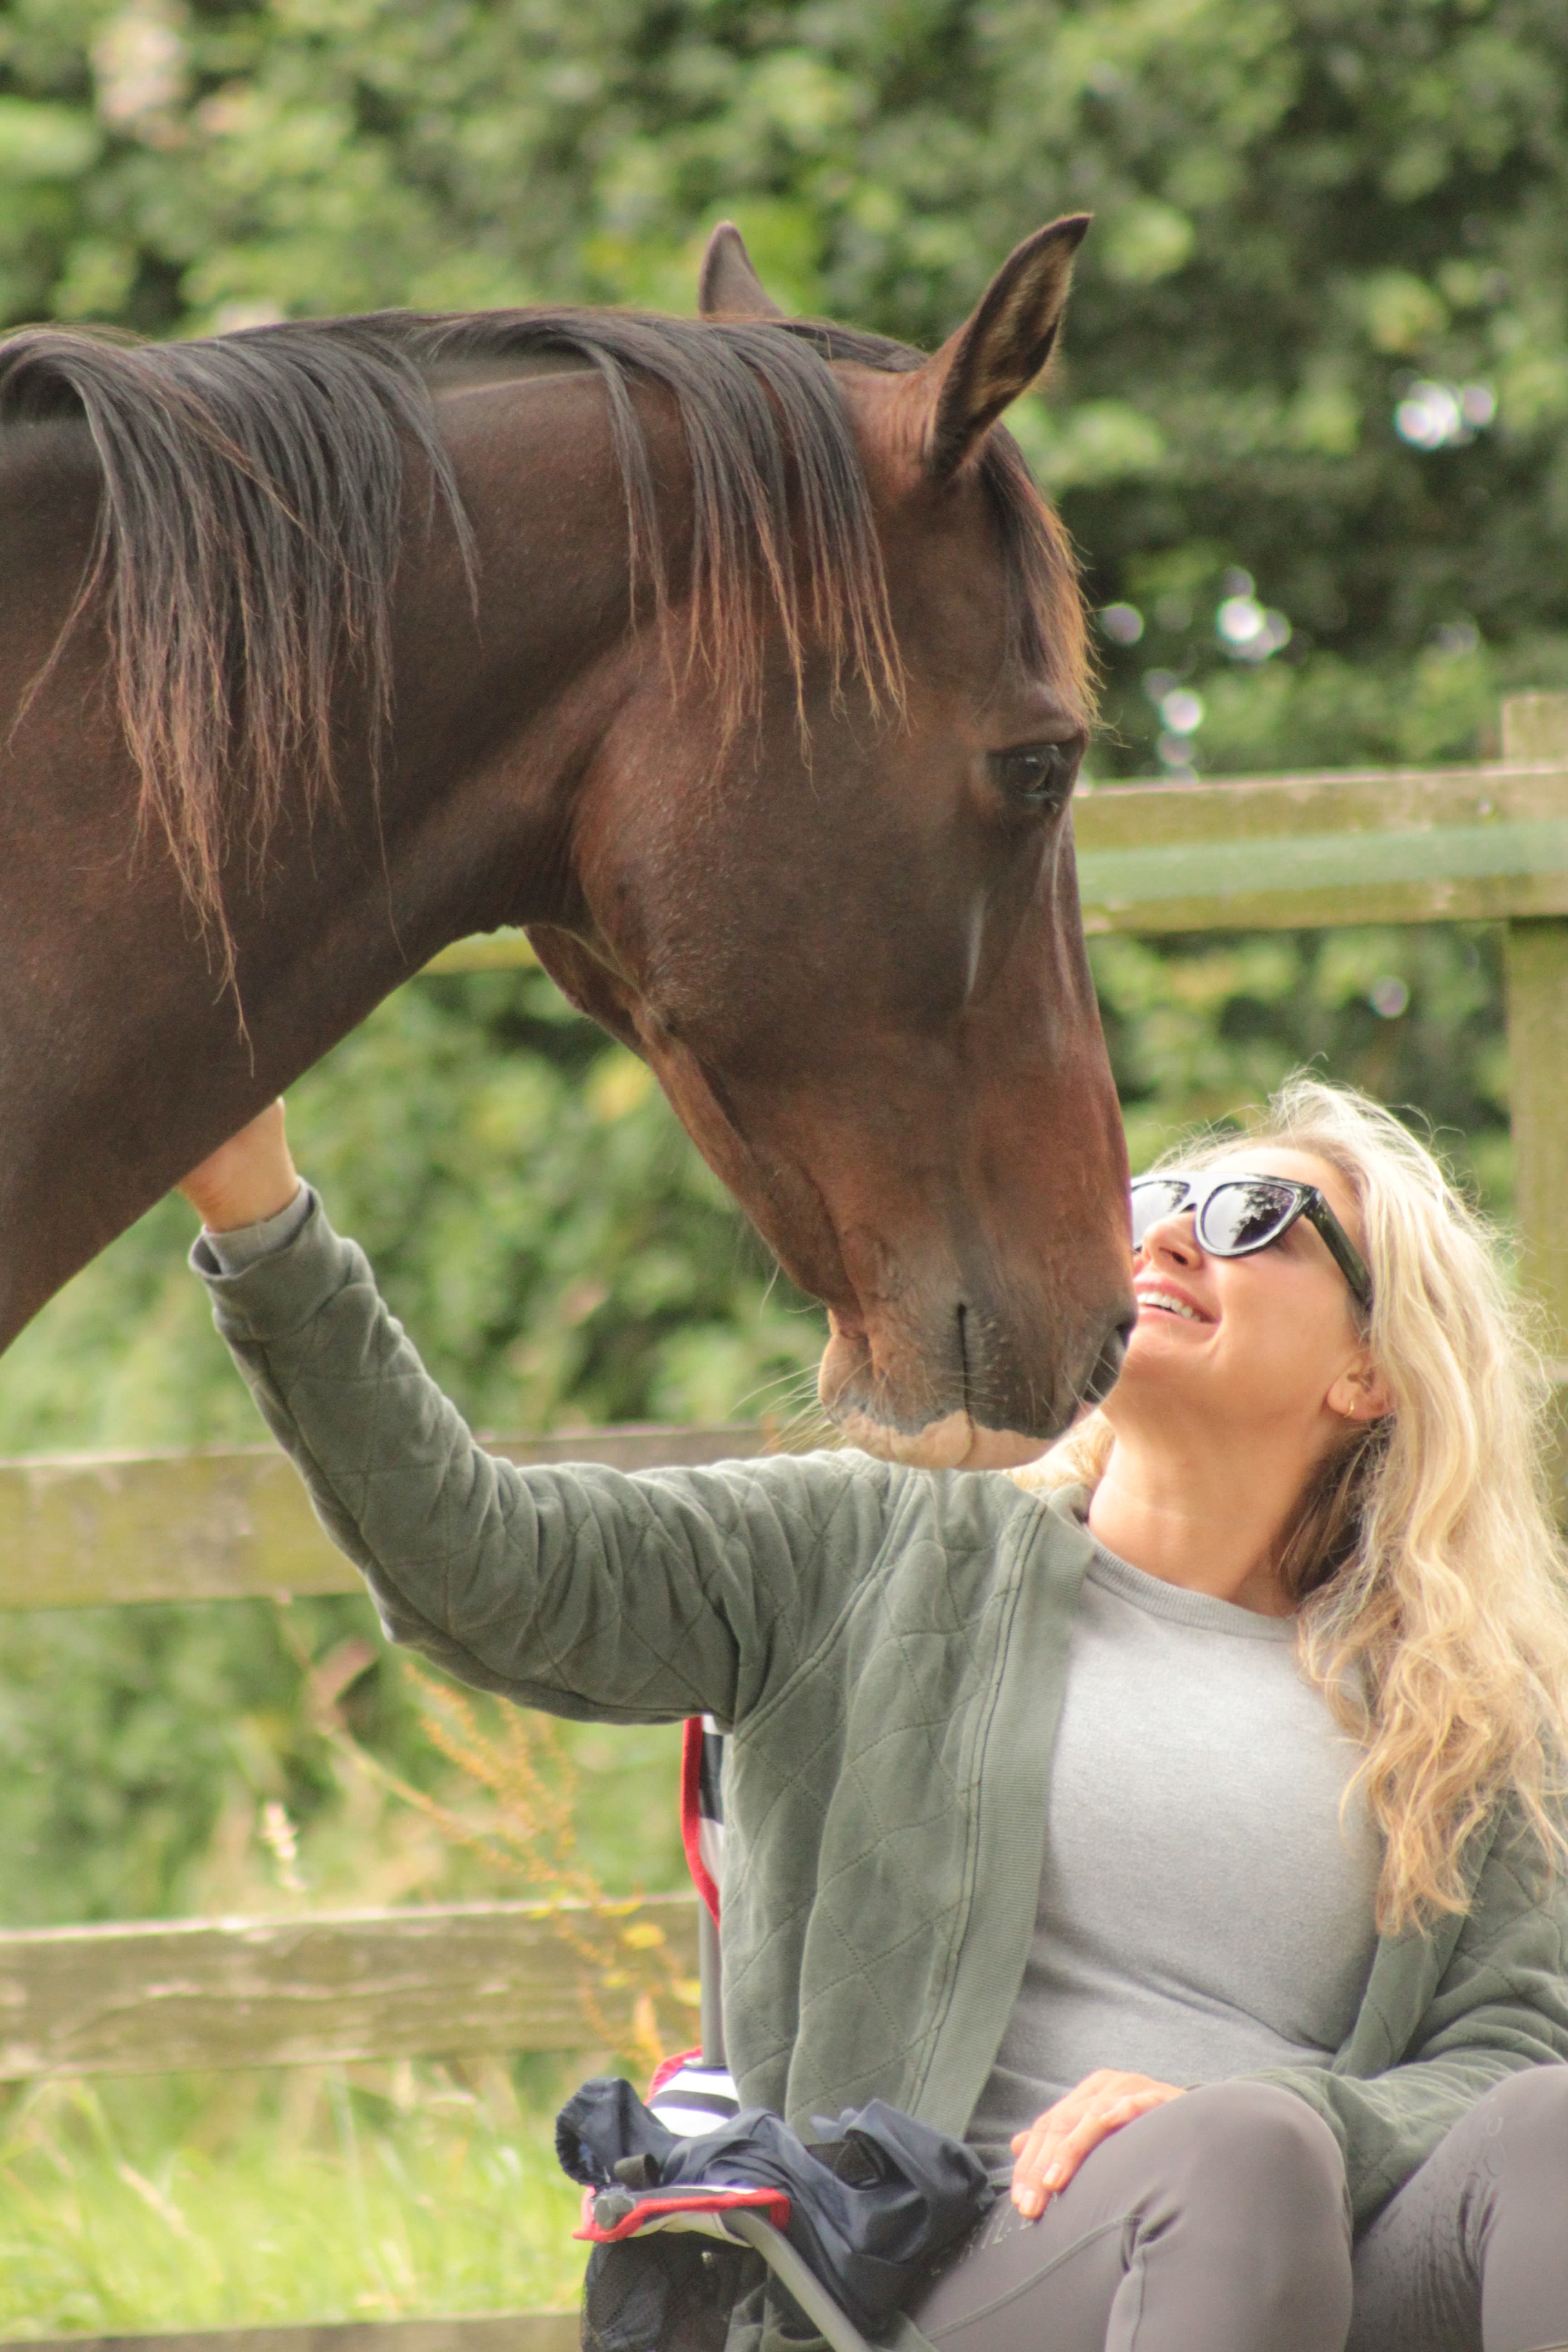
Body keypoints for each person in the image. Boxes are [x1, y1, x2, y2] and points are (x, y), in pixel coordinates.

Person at [177, 1073, 1568, 2352]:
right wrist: (264, 1223)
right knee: (1238, 2165)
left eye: (1256, 1217)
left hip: (1320, 2249)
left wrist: (1311, 2114)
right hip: (936, 2265)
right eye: (1150, 1204)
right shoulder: (877, 1557)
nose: (1171, 1237)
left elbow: (1510, 2046)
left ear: (1370, 1372)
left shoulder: (1462, 1706)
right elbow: (478, 1567)